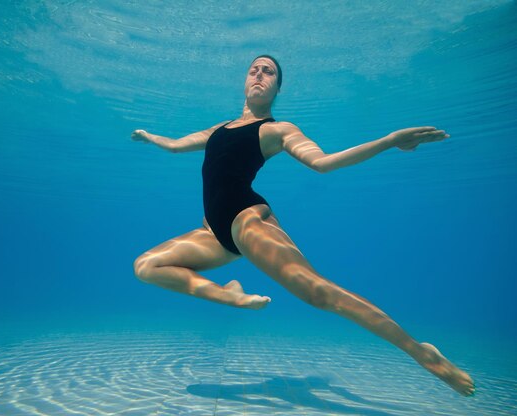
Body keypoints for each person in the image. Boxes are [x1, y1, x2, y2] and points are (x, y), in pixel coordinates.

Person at [131, 55, 475, 397]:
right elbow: (176, 146)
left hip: (247, 219)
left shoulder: (278, 130)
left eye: (269, 72)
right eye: (254, 69)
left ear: (277, 88)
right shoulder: (218, 129)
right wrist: (151, 137)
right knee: (146, 266)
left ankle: (423, 353)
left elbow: (323, 163)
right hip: (213, 231)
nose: (259, 74)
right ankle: (229, 295)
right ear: (245, 81)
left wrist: (388, 141)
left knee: (318, 293)